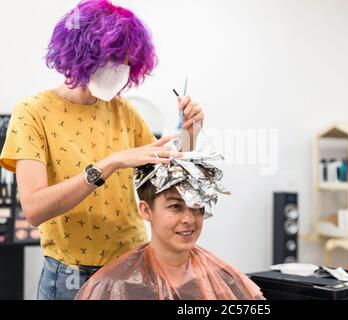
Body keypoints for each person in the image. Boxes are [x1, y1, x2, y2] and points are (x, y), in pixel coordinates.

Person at [0, 0, 204, 300]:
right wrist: (108, 165)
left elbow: (170, 180)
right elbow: (33, 209)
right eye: (111, 60)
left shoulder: (125, 113)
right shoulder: (33, 113)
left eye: (125, 63)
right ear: (80, 54)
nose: (119, 71)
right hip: (70, 277)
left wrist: (189, 134)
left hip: (130, 266)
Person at [76, 150, 264, 300]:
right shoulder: (115, 285)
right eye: (175, 206)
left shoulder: (223, 278)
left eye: (197, 207)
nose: (189, 219)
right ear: (146, 210)